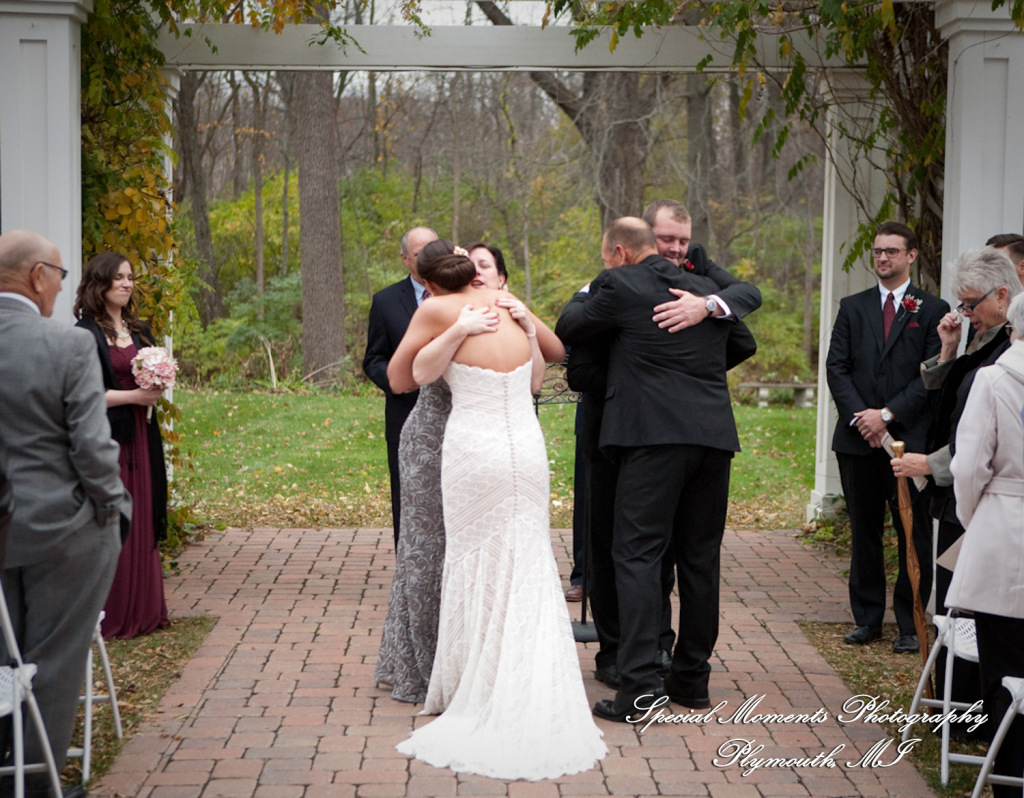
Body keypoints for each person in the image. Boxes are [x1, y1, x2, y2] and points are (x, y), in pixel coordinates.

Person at [393, 249, 603, 780]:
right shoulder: (509, 304)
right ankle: (529, 674)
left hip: (474, 450)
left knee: (473, 560)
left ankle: (480, 685)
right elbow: (544, 370)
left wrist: (455, 331)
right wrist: (526, 325)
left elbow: (410, 376)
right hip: (526, 449)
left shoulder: (438, 309)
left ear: (428, 282)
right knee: (526, 560)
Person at [565, 209, 760, 691]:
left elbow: (569, 326)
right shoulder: (694, 291)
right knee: (693, 558)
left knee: (638, 553)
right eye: (667, 238)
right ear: (650, 239)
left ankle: (640, 679)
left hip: (648, 437)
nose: (677, 248)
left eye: (682, 240)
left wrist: (658, 372)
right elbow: (581, 368)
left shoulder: (669, 291)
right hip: (687, 435)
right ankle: (685, 676)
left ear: (618, 252)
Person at [374, 240, 564, 705]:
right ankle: (423, 664)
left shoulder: (500, 306)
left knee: (477, 555)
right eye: (471, 264)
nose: (478, 273)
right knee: (424, 553)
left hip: (479, 441)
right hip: (435, 440)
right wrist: (459, 329)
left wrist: (520, 318)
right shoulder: (448, 310)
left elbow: (550, 357)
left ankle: (481, 666)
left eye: (485, 265)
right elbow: (402, 378)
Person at [0, 229, 126, 797]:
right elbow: (92, 449)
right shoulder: (66, 345)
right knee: (52, 658)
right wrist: (112, 506)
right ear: (37, 275)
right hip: (62, 529)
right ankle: (36, 781)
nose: (59, 287)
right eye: (59, 275)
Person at [889, 246, 1021, 707]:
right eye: (961, 304)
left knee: (972, 609)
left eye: (970, 303)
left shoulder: (1008, 350)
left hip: (980, 499)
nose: (965, 313)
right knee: (953, 601)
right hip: (960, 496)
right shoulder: (981, 339)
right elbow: (951, 407)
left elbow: (980, 439)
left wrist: (932, 465)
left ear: (1001, 296)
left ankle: (975, 708)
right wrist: (949, 349)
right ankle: (957, 702)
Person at [826, 221, 948, 653]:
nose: (881, 257)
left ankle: (911, 623)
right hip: (857, 439)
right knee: (864, 531)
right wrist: (863, 418)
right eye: (877, 251)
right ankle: (867, 619)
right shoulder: (853, 306)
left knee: (913, 531)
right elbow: (836, 366)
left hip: (909, 440)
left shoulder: (931, 309)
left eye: (891, 251)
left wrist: (887, 415)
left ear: (911, 255)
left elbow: (932, 374)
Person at [946, 290, 1024, 797]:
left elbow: (970, 466)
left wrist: (977, 520)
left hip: (1004, 531)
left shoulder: (994, 379)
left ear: (1014, 328)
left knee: (1004, 671)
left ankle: (1011, 781)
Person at [73, 252, 170, 639]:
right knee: (115, 518)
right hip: (109, 437)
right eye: (118, 277)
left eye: (130, 277)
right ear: (100, 284)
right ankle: (112, 612)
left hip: (142, 436)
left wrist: (158, 384)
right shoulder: (84, 333)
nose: (127, 284)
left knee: (143, 510)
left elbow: (153, 380)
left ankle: (145, 608)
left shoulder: (140, 330)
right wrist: (134, 397)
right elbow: (84, 395)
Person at [363, 226, 438, 546]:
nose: (428, 258)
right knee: (408, 500)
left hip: (456, 414)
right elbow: (373, 359)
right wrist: (397, 384)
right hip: (406, 415)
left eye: (434, 248)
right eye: (420, 253)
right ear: (405, 259)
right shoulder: (385, 301)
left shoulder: (461, 296)